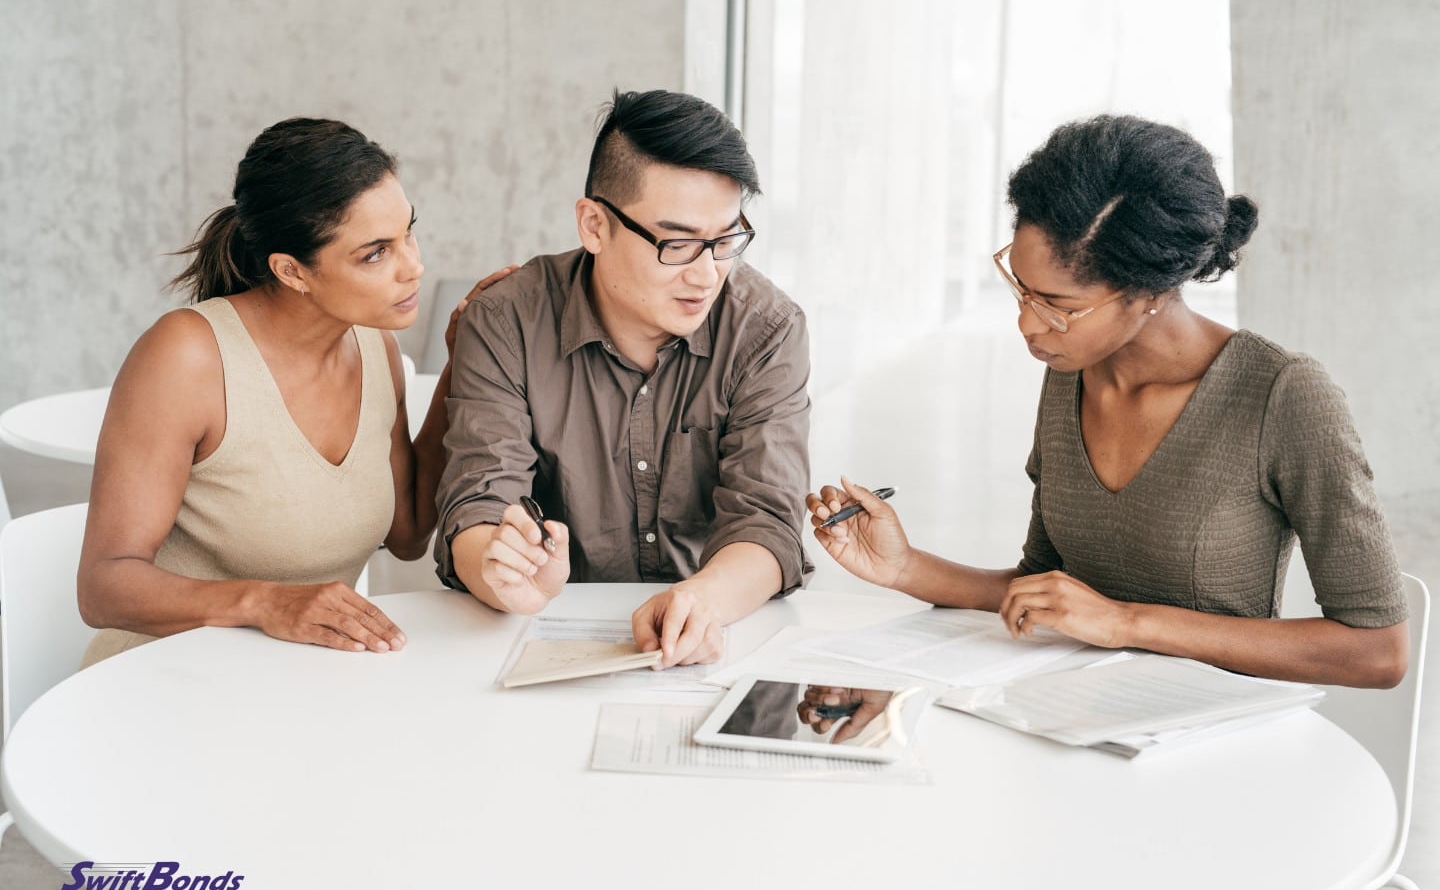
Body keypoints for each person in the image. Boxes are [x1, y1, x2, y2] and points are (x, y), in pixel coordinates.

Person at [808, 114, 1408, 688]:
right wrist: (905, 567)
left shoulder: (1284, 395)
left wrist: (1126, 622)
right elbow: (1046, 588)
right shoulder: (1073, 370)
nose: (1028, 324)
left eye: (1060, 306)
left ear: (1149, 291)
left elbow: (1377, 653)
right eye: (1020, 288)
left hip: (1208, 736)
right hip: (1070, 717)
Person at [77, 117, 510, 665]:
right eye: (375, 253)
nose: (414, 266)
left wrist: (463, 367)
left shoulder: (376, 347)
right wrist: (265, 602)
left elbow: (407, 533)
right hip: (158, 683)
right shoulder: (188, 356)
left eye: (408, 233)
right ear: (291, 271)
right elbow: (103, 585)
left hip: (291, 691)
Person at [436, 89, 812, 668]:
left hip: (714, 631)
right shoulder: (505, 320)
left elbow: (768, 519)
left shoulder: (766, 330)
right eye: (678, 243)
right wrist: (503, 571)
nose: (706, 273)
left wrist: (700, 600)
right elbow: (478, 501)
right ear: (594, 225)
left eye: (726, 240)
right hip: (540, 632)